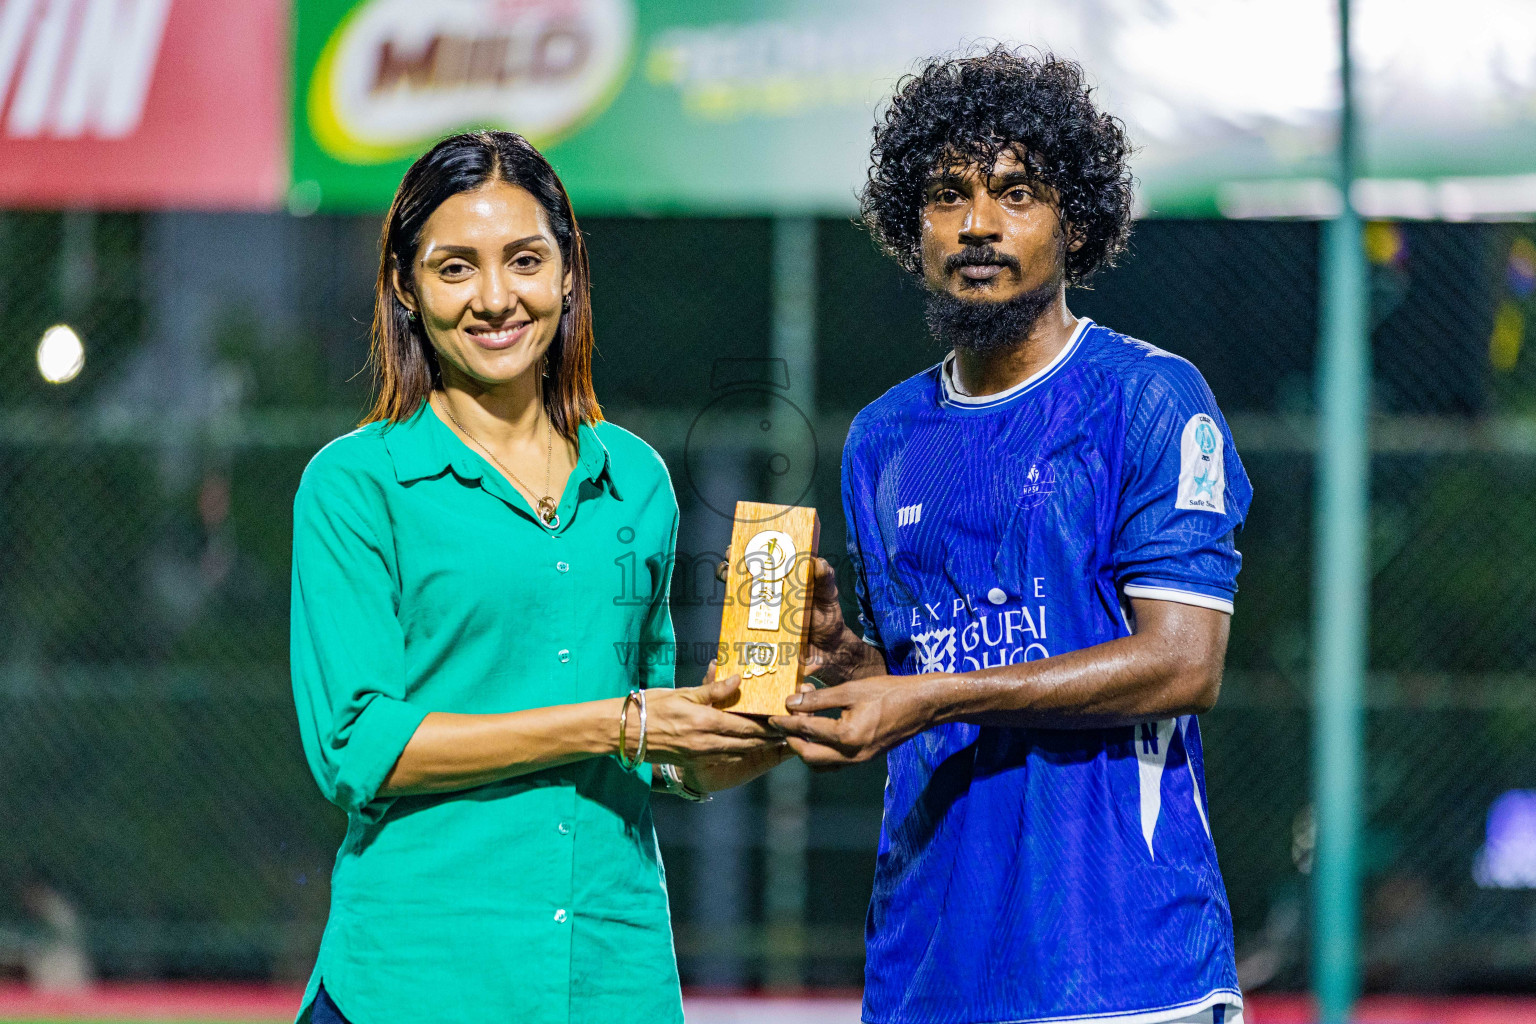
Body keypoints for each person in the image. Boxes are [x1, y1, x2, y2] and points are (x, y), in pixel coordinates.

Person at [772, 49, 1254, 1024]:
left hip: (1122, 968)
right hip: (929, 969)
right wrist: (851, 664)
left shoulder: (1149, 398)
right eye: (947, 195)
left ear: (1075, 222)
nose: (978, 223)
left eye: (1016, 193)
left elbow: (1182, 662)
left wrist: (926, 694)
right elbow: (927, 668)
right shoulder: (881, 438)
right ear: (912, 225)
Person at [288, 130, 787, 1024]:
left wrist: (760, 729)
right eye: (455, 268)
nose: (495, 298)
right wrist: (617, 723)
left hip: (610, 978)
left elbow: (654, 757)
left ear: (568, 273)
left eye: (524, 260)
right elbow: (356, 749)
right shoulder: (355, 485)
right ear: (405, 287)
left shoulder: (637, 480)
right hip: (416, 981)